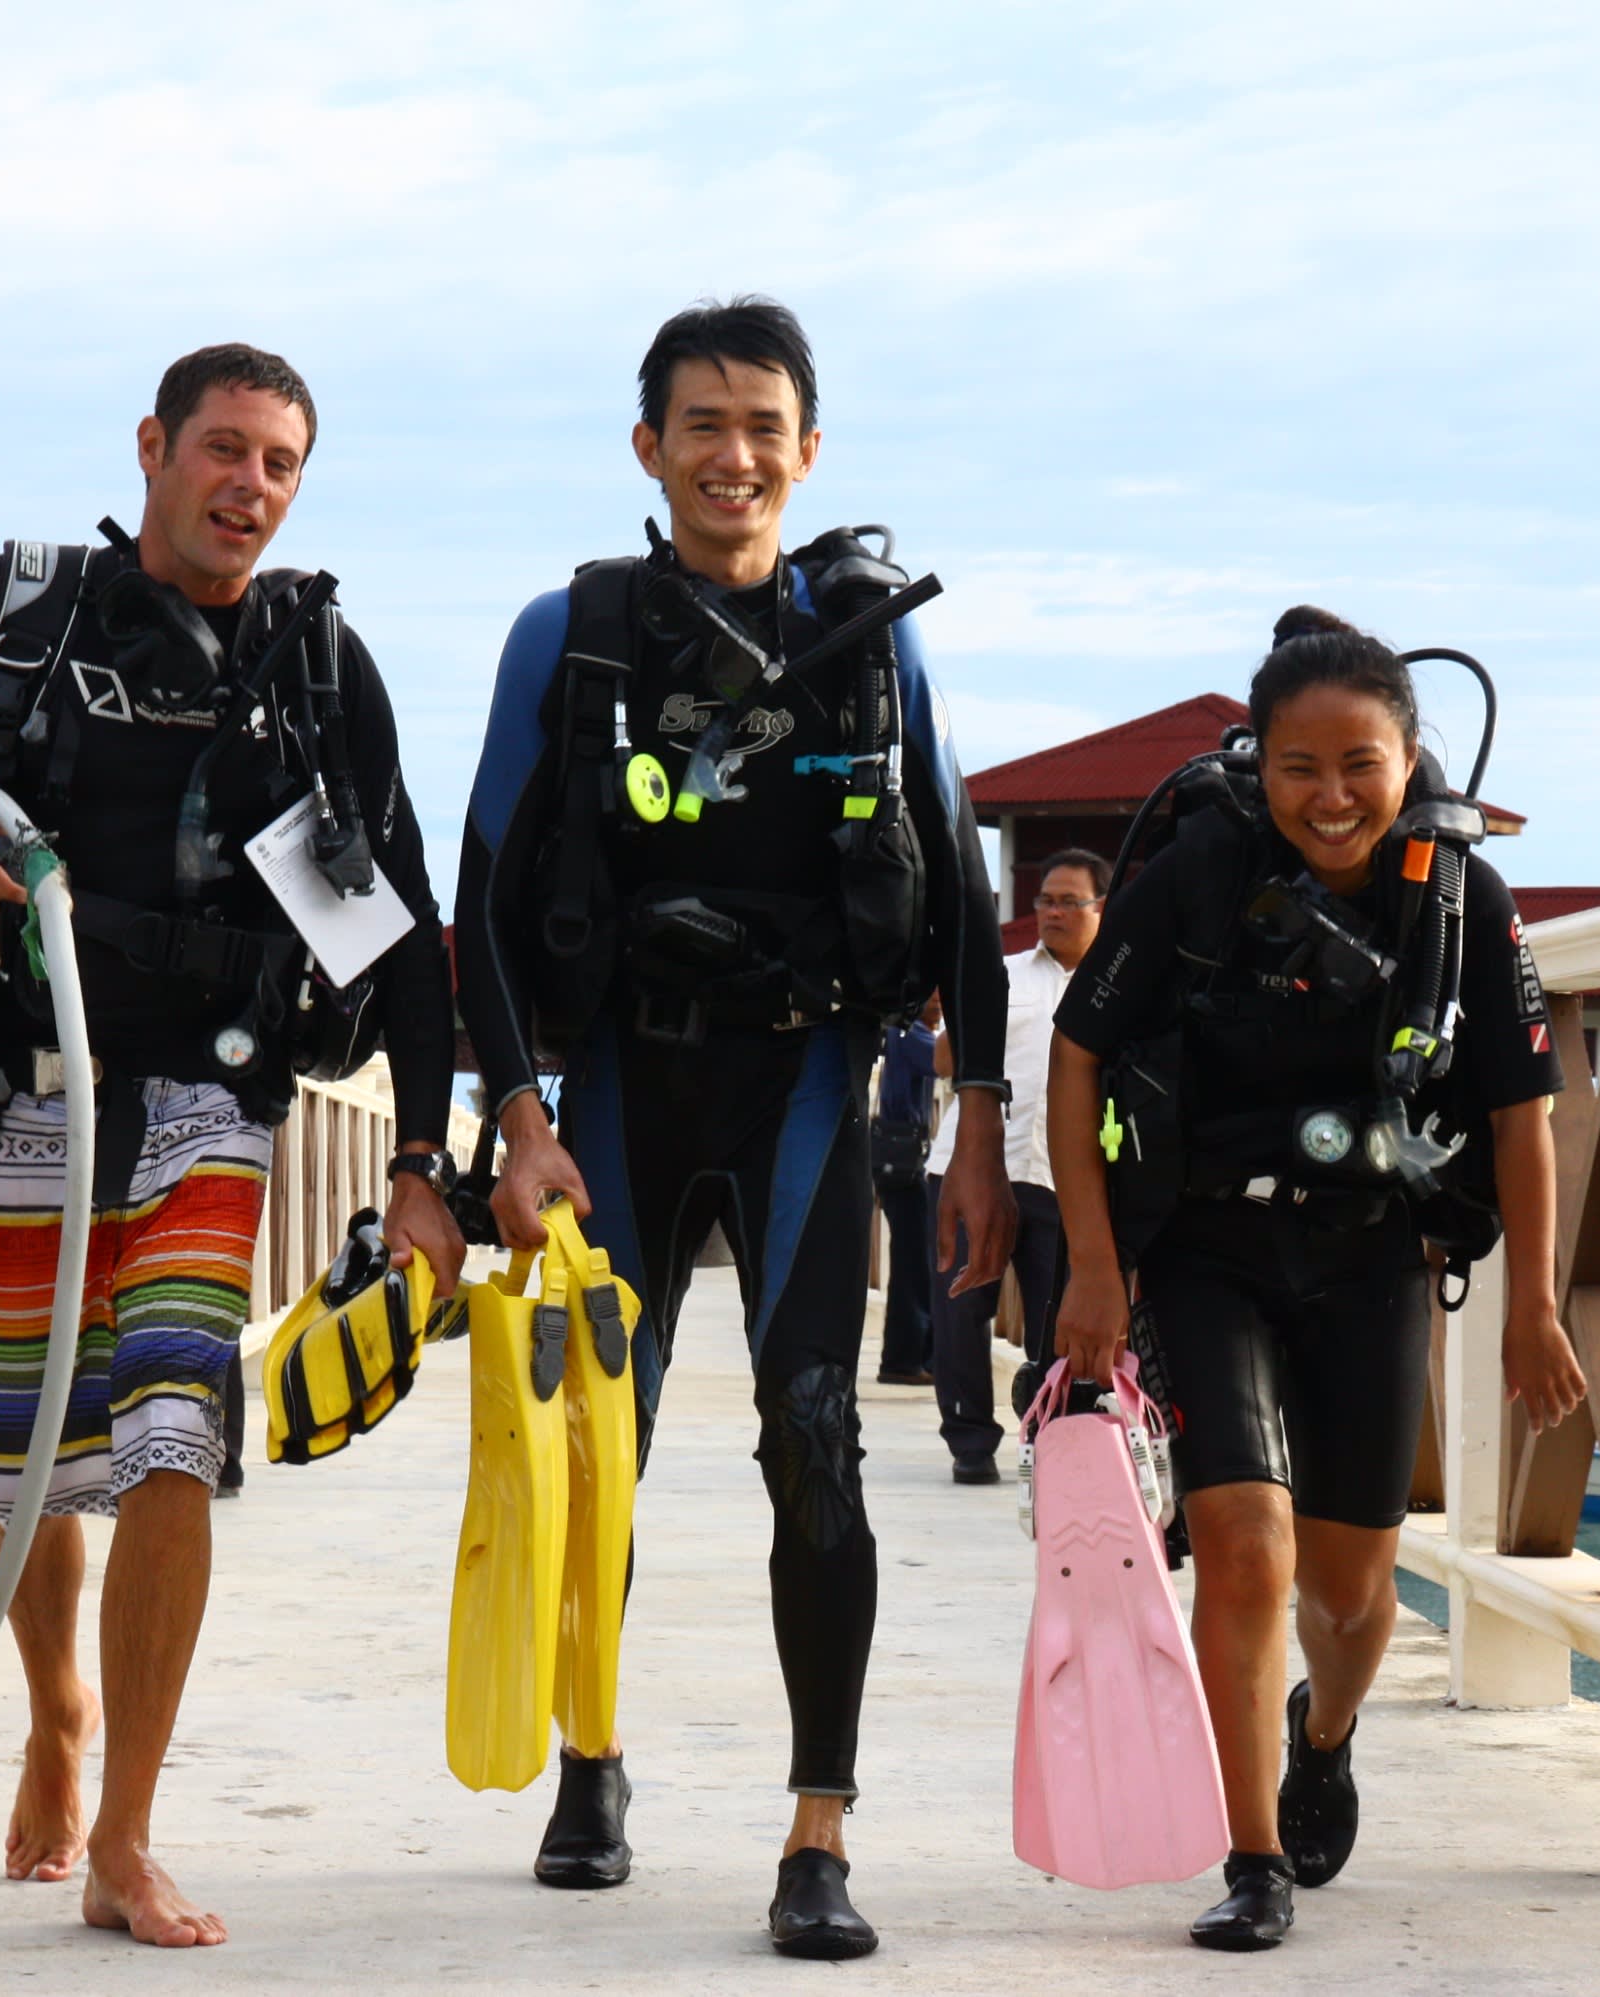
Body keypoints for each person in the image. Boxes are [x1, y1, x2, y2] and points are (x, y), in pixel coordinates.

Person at [0, 344, 464, 1948]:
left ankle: (128, 1832)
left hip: (214, 1105)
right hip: (20, 1083)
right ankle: (56, 1708)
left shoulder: (317, 670)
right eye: (225, 449)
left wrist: (422, 1162)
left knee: (177, 1431)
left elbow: (401, 937)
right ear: (156, 447)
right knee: (28, 1456)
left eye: (282, 463)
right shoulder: (23, 615)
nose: (251, 486)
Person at [457, 296, 1015, 1959]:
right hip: (625, 1089)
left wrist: (981, 1126)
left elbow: (962, 895)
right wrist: (515, 1116)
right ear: (649, 446)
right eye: (702, 423)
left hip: (803, 1082)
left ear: (809, 451)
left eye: (765, 425)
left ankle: (818, 1829)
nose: (734, 454)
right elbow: (486, 896)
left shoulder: (874, 637)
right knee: (593, 1447)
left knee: (816, 1435)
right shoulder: (573, 635)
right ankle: (592, 1756)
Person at [1045, 608, 1587, 1952]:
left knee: (1348, 1596)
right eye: (1300, 766)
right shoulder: (1197, 873)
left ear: (1408, 757)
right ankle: (1254, 1855)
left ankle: (1325, 1730)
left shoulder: (1463, 900)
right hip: (1207, 1247)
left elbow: (1522, 1112)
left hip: (1369, 1253)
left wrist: (1532, 1303)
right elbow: (1077, 1052)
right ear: (1262, 761)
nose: (1330, 796)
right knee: (1244, 1550)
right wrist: (1096, 1265)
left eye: (1360, 765)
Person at [931, 849, 1104, 1480]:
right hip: (975, 1173)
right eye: (1045, 901)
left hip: (1065, 1181)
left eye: (1069, 902)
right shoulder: (1001, 977)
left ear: (1101, 909)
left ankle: (1052, 1441)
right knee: (959, 1314)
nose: (1053, 913)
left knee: (1057, 1321)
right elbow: (943, 1061)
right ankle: (971, 1445)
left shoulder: (1118, 990)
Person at [869, 997, 943, 1384]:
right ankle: (904, 1359)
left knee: (911, 1260)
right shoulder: (912, 1033)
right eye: (933, 994)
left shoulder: (904, 1031)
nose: (939, 1002)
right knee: (914, 1264)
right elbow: (947, 1061)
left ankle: (912, 1356)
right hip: (906, 1163)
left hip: (898, 1161)